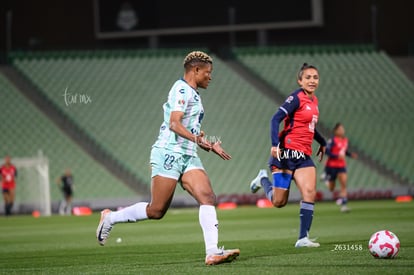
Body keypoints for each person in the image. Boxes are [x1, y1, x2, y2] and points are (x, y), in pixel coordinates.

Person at [96, 51, 240, 265]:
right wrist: (197, 140)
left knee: (207, 197)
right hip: (169, 152)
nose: (210, 77)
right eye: (208, 72)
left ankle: (212, 252)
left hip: (188, 155)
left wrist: (207, 143)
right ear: (196, 70)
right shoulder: (181, 89)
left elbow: (190, 130)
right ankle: (110, 217)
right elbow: (174, 123)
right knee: (156, 210)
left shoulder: (194, 95)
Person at [250, 63, 326, 248]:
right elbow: (275, 118)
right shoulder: (296, 98)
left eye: (315, 77)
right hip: (285, 154)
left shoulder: (314, 101)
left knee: (309, 192)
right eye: (307, 77)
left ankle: (302, 238)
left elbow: (309, 127)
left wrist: (322, 142)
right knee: (278, 202)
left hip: (303, 157)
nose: (312, 80)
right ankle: (262, 180)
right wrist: (275, 144)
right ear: (300, 81)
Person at [324, 123, 358, 213]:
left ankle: (344, 206)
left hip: (341, 165)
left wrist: (351, 155)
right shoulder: (332, 141)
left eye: (342, 129)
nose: (342, 131)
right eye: (340, 129)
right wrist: (336, 156)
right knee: (331, 188)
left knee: (343, 185)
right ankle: (326, 180)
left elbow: (344, 151)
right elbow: (327, 152)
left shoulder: (345, 140)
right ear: (335, 131)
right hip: (331, 166)